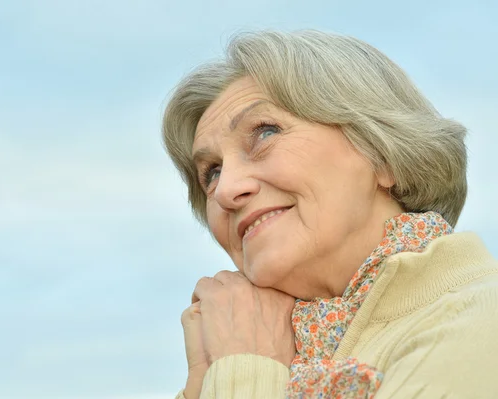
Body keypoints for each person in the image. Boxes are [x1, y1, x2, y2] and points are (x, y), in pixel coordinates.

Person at [161, 30, 498, 399]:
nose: (225, 190)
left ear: (382, 154)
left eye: (264, 132)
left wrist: (246, 370)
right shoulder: (228, 357)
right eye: (212, 172)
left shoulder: (481, 320)